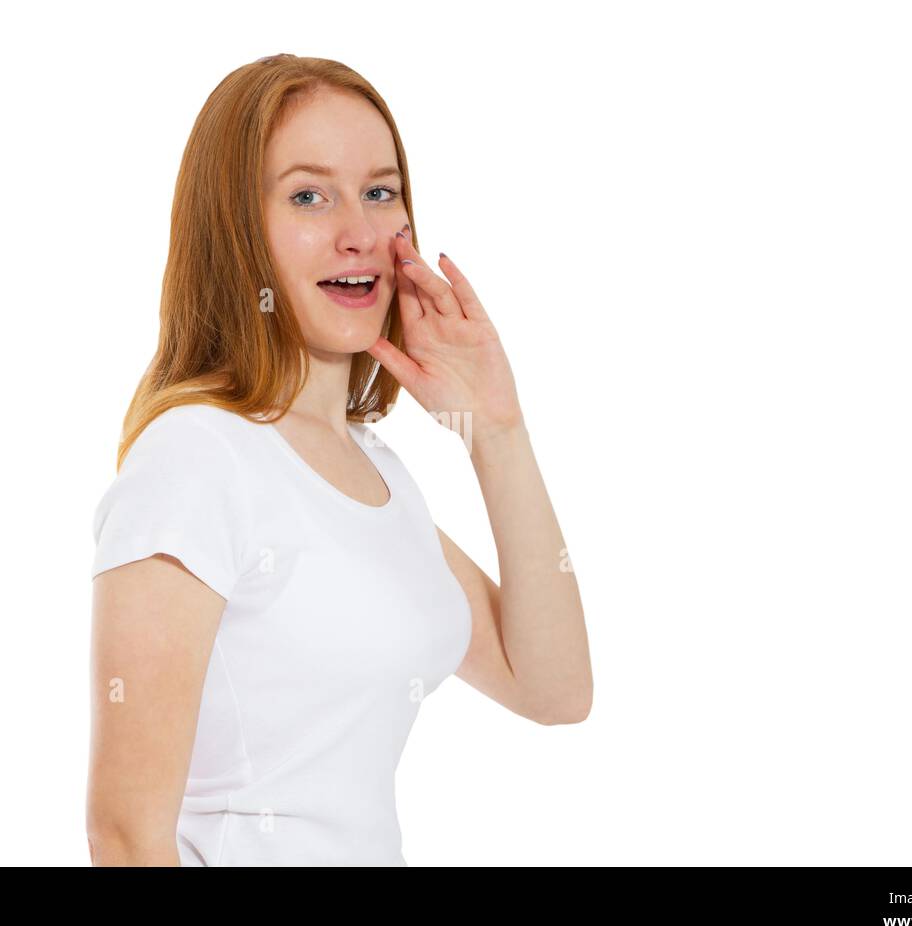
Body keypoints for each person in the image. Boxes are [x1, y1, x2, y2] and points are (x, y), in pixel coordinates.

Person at [85, 54, 591, 867]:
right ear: (236, 232)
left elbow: (554, 689)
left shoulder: (374, 470)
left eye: (380, 192)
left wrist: (495, 430)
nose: (358, 231)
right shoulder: (194, 459)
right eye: (308, 195)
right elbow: (124, 835)